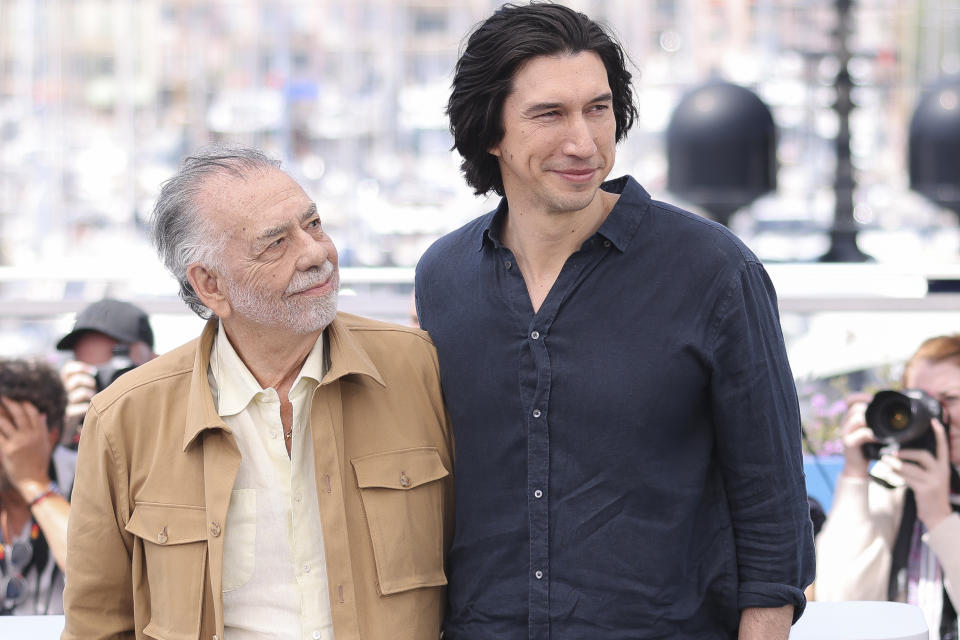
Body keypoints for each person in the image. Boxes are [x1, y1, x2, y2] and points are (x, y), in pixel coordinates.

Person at [414, 4, 814, 638]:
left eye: (597, 109)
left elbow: (772, 504)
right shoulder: (442, 277)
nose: (584, 142)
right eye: (550, 114)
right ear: (489, 131)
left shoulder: (714, 271)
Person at [63, 147, 454, 640]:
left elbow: (489, 570)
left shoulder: (421, 369)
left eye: (313, 223)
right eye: (276, 243)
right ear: (210, 284)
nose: (316, 253)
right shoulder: (125, 419)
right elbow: (96, 624)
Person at [816, 334, 960, 640]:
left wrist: (939, 516)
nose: (936, 415)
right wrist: (855, 474)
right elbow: (837, 600)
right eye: (921, 400)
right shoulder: (893, 481)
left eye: (950, 399)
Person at [0, 358, 73, 615]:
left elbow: (93, 570)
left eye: (5, 431)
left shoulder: (85, 479)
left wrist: (34, 483)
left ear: (48, 435)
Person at [55, 298, 157, 448]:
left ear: (156, 361)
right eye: (96, 375)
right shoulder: (69, 438)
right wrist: (64, 436)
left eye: (120, 373)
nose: (112, 391)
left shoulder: (178, 419)